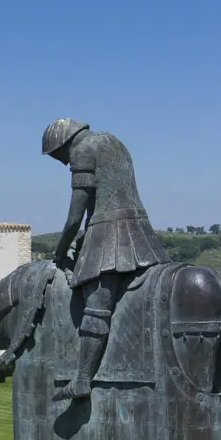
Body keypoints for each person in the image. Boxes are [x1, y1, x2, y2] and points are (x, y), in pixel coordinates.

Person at [42, 118, 171, 400]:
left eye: (58, 156)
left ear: (64, 144)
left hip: (110, 235)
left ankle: (82, 379)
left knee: (96, 306)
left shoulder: (82, 150)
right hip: (139, 231)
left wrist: (61, 250)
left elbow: (77, 212)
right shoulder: (113, 142)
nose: (63, 162)